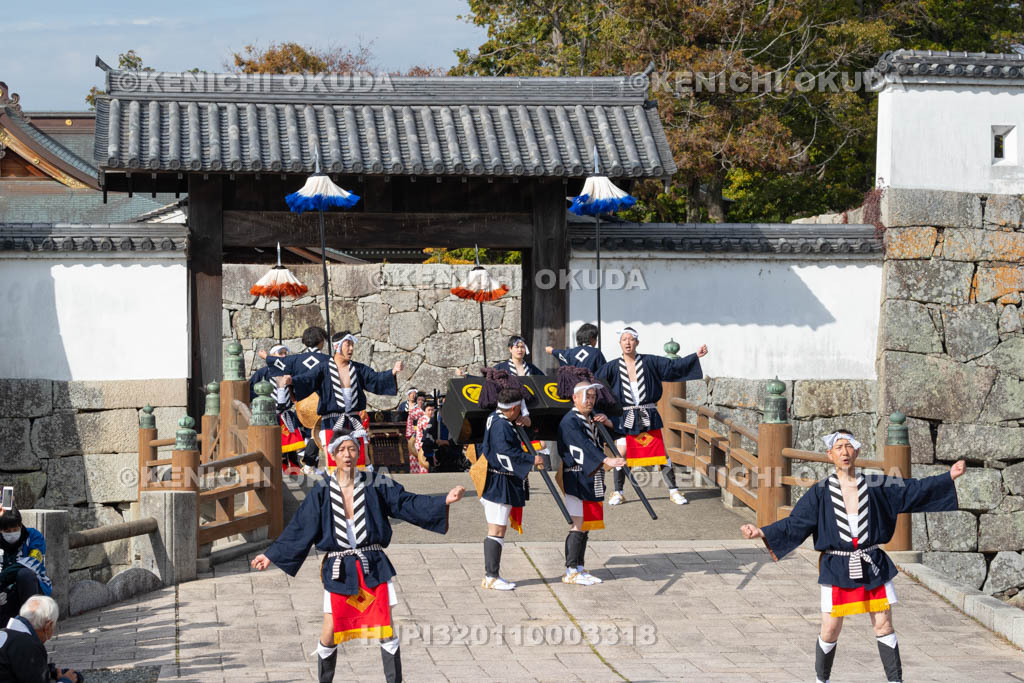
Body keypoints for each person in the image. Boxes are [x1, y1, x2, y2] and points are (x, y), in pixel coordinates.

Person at [741, 430, 967, 683]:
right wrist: (761, 531)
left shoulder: (876, 485)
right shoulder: (820, 492)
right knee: (830, 628)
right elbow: (796, 522)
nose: (845, 452)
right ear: (830, 454)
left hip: (872, 563)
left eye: (849, 446)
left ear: (857, 451)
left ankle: (895, 681)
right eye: (839, 447)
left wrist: (948, 476)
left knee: (883, 624)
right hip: (837, 564)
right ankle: (821, 680)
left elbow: (912, 490)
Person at [251, 431, 465, 683]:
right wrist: (272, 554)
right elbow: (301, 525)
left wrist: (443, 501)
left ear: (359, 452)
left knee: (385, 625)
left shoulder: (376, 483)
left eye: (352, 449)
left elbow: (405, 502)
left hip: (372, 564)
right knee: (330, 629)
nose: (347, 455)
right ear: (332, 455)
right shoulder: (321, 491)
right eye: (341, 450)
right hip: (339, 567)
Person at [596, 327, 707, 506]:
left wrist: (695, 356)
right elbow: (596, 385)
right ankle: (618, 492)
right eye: (624, 339)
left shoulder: (650, 362)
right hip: (625, 416)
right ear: (620, 343)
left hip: (647, 414)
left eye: (631, 339)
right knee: (621, 453)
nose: (627, 342)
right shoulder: (611, 367)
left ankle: (674, 490)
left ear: (637, 342)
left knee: (661, 453)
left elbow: (673, 366)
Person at [277, 331, 402, 472]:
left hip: (353, 421)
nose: (351, 349)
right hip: (331, 422)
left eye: (352, 345)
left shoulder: (358, 368)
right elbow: (307, 379)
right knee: (334, 466)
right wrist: (292, 381)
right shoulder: (323, 368)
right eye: (348, 345)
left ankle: (362, 484)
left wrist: (392, 372)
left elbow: (375, 379)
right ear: (337, 346)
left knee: (359, 463)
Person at [555, 367, 626, 585]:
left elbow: (612, 433)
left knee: (586, 524)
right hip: (576, 476)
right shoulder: (570, 421)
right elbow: (582, 446)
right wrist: (605, 460)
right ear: (575, 398)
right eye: (586, 396)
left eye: (593, 397)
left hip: (591, 476)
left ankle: (579, 567)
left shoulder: (592, 418)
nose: (590, 401)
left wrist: (608, 423)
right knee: (578, 523)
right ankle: (570, 570)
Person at [478, 387, 543, 591]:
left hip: (497, 478)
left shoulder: (495, 417)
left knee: (498, 527)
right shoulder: (502, 425)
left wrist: (524, 422)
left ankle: (492, 575)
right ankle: (491, 576)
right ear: (514, 408)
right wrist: (531, 459)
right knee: (496, 528)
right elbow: (505, 453)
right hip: (499, 480)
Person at [0, 594, 79, 683]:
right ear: (48, 626)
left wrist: (49, 671)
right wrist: (66, 681)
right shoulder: (28, 645)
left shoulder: (6, 635)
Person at [0, 508, 52, 623]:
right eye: (7, 531)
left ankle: (31, 622)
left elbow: (34, 560)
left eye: (15, 529)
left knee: (25, 574)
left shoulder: (33, 536)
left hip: (31, 586)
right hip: (5, 591)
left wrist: (6, 574)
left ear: (20, 525)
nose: (11, 533)